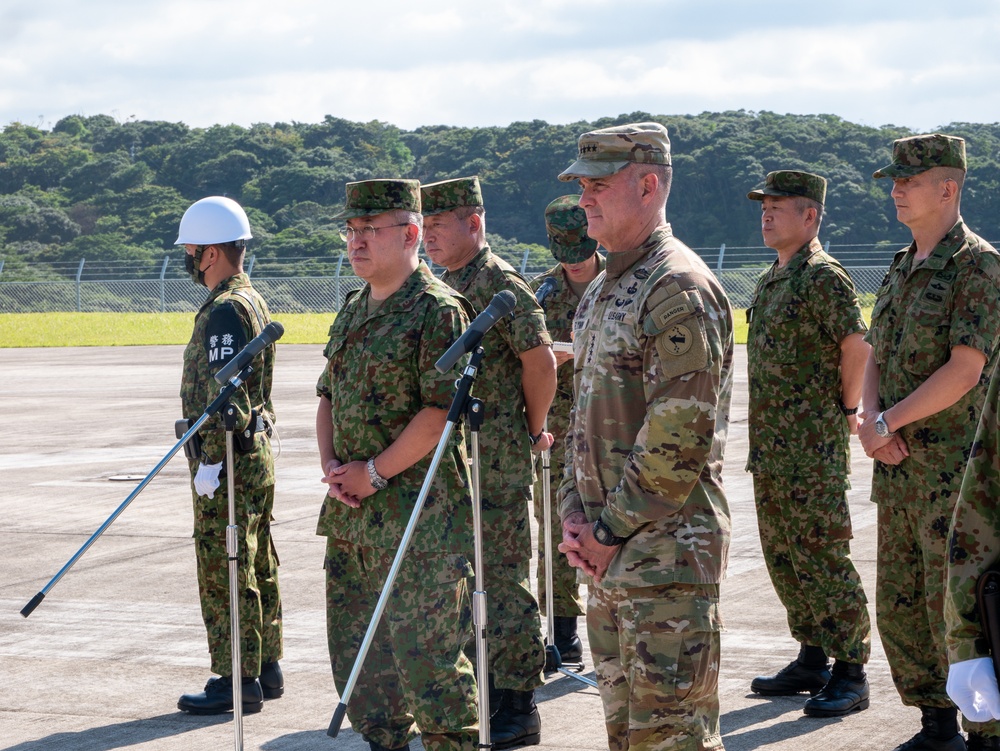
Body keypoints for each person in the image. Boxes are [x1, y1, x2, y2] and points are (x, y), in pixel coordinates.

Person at [556, 122, 734, 751]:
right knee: (627, 736)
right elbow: (581, 419)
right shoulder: (606, 287)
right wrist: (575, 516)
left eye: (598, 186)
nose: (585, 200)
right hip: (612, 557)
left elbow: (677, 438)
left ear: (649, 184)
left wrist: (604, 533)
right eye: (582, 186)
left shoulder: (674, 286)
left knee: (671, 736)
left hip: (666, 559)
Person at [316, 179, 479, 751]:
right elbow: (327, 396)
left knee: (430, 669)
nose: (356, 241)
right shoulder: (352, 308)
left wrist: (374, 473)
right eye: (352, 230)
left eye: (370, 230)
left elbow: (440, 415)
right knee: (363, 672)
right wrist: (335, 469)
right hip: (354, 521)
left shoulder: (437, 311)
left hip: (420, 523)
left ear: (410, 235)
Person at [858, 133, 1000, 751]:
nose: (896, 190)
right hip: (898, 469)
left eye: (908, 181)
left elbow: (965, 370)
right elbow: (873, 355)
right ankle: (935, 722)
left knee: (960, 612)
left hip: (957, 477)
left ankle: (984, 732)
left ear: (948, 187)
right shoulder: (899, 265)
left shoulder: (979, 265)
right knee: (902, 605)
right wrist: (868, 419)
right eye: (894, 180)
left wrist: (888, 422)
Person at [421, 175, 557, 750]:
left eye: (437, 225)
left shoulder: (499, 283)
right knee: (463, 581)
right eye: (422, 228)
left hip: (497, 457)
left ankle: (518, 703)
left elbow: (541, 360)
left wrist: (531, 430)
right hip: (458, 460)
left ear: (473, 224)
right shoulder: (439, 284)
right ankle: (480, 689)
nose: (427, 237)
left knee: (503, 581)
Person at [744, 170, 873, 717]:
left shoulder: (824, 277)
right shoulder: (774, 277)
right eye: (764, 207)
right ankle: (812, 656)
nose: (767, 215)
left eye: (779, 207)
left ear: (811, 216)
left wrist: (847, 410)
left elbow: (855, 346)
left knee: (821, 554)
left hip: (811, 447)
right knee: (785, 558)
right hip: (772, 449)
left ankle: (851, 670)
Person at [174, 196, 283, 715]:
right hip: (252, 451)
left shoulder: (224, 309)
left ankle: (235, 676)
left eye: (191, 251)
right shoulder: (249, 300)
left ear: (211, 252)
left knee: (227, 562)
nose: (188, 260)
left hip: (229, 458)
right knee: (258, 557)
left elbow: (227, 399)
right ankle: (265, 665)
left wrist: (212, 465)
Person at [529, 195, 604, 666]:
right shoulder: (541, 293)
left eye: (580, 248)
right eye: (564, 250)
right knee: (556, 528)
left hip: (609, 428)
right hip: (556, 432)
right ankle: (562, 630)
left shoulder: (625, 285)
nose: (574, 261)